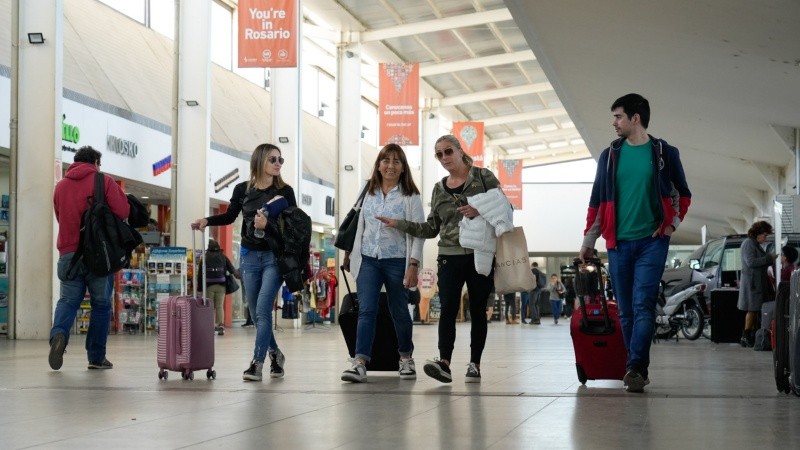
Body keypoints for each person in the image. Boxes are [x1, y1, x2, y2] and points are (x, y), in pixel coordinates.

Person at [579, 93, 691, 393]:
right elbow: (597, 201)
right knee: (626, 311)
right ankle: (634, 366)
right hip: (617, 244)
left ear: (635, 118)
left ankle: (637, 367)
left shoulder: (664, 153)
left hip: (652, 243)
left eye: (618, 116)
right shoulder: (610, 155)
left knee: (643, 305)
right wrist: (589, 239)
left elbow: (683, 194)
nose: (614, 122)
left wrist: (671, 226)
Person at [378, 134, 510, 383]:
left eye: (448, 151)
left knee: (478, 310)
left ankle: (474, 364)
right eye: (439, 154)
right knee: (448, 308)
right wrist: (400, 224)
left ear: (460, 151)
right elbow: (431, 228)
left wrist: (479, 209)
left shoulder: (483, 177)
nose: (444, 157)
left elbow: (505, 207)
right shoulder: (439, 189)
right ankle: (444, 363)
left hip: (480, 254)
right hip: (449, 256)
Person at [194, 143, 296, 381]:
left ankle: (256, 363)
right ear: (259, 161)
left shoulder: (285, 192)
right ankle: (275, 354)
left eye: (280, 160)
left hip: (274, 256)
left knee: (262, 310)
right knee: (257, 312)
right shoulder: (242, 189)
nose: (278, 164)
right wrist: (207, 220)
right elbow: (230, 216)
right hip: (249, 257)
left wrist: (268, 225)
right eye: (273, 159)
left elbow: (294, 226)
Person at [340, 143, 425, 383]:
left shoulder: (410, 196)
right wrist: (349, 254)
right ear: (378, 165)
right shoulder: (367, 190)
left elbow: (419, 232)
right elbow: (357, 224)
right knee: (366, 310)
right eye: (386, 160)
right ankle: (360, 362)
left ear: (403, 167)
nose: (390, 166)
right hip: (368, 259)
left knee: (399, 310)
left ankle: (405, 358)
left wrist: (413, 265)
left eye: (396, 161)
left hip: (398, 261)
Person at [49, 146, 130, 371]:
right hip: (99, 255)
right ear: (95, 162)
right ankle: (96, 357)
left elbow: (60, 216)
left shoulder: (60, 186)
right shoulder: (104, 181)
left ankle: (58, 335)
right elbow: (123, 211)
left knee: (67, 301)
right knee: (101, 305)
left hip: (68, 254)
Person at [737, 221, 776, 348]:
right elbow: (751, 262)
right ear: (758, 233)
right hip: (752, 283)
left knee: (754, 309)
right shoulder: (749, 243)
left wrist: (769, 260)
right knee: (752, 309)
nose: (765, 238)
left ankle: (751, 335)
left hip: (756, 282)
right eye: (764, 235)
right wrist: (768, 258)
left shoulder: (754, 244)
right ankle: (746, 336)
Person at [202, 239, 239, 336]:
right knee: (219, 306)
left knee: (210, 307)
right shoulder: (223, 257)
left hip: (209, 286)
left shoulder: (205, 257)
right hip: (221, 285)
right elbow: (232, 269)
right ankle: (220, 326)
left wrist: (199, 288)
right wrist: (238, 275)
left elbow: (200, 274)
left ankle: (210, 326)